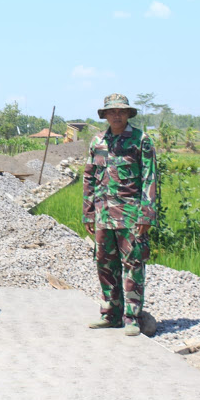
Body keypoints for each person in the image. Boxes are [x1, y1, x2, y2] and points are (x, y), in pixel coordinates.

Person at [82, 94, 157, 336]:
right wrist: (88, 213)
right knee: (105, 264)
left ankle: (133, 317)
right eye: (112, 111)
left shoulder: (141, 141)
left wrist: (146, 214)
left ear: (128, 114)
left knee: (133, 265)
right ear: (105, 115)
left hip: (131, 215)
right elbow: (89, 178)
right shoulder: (98, 142)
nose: (116, 115)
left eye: (121, 111)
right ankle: (110, 314)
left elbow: (149, 178)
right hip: (103, 215)